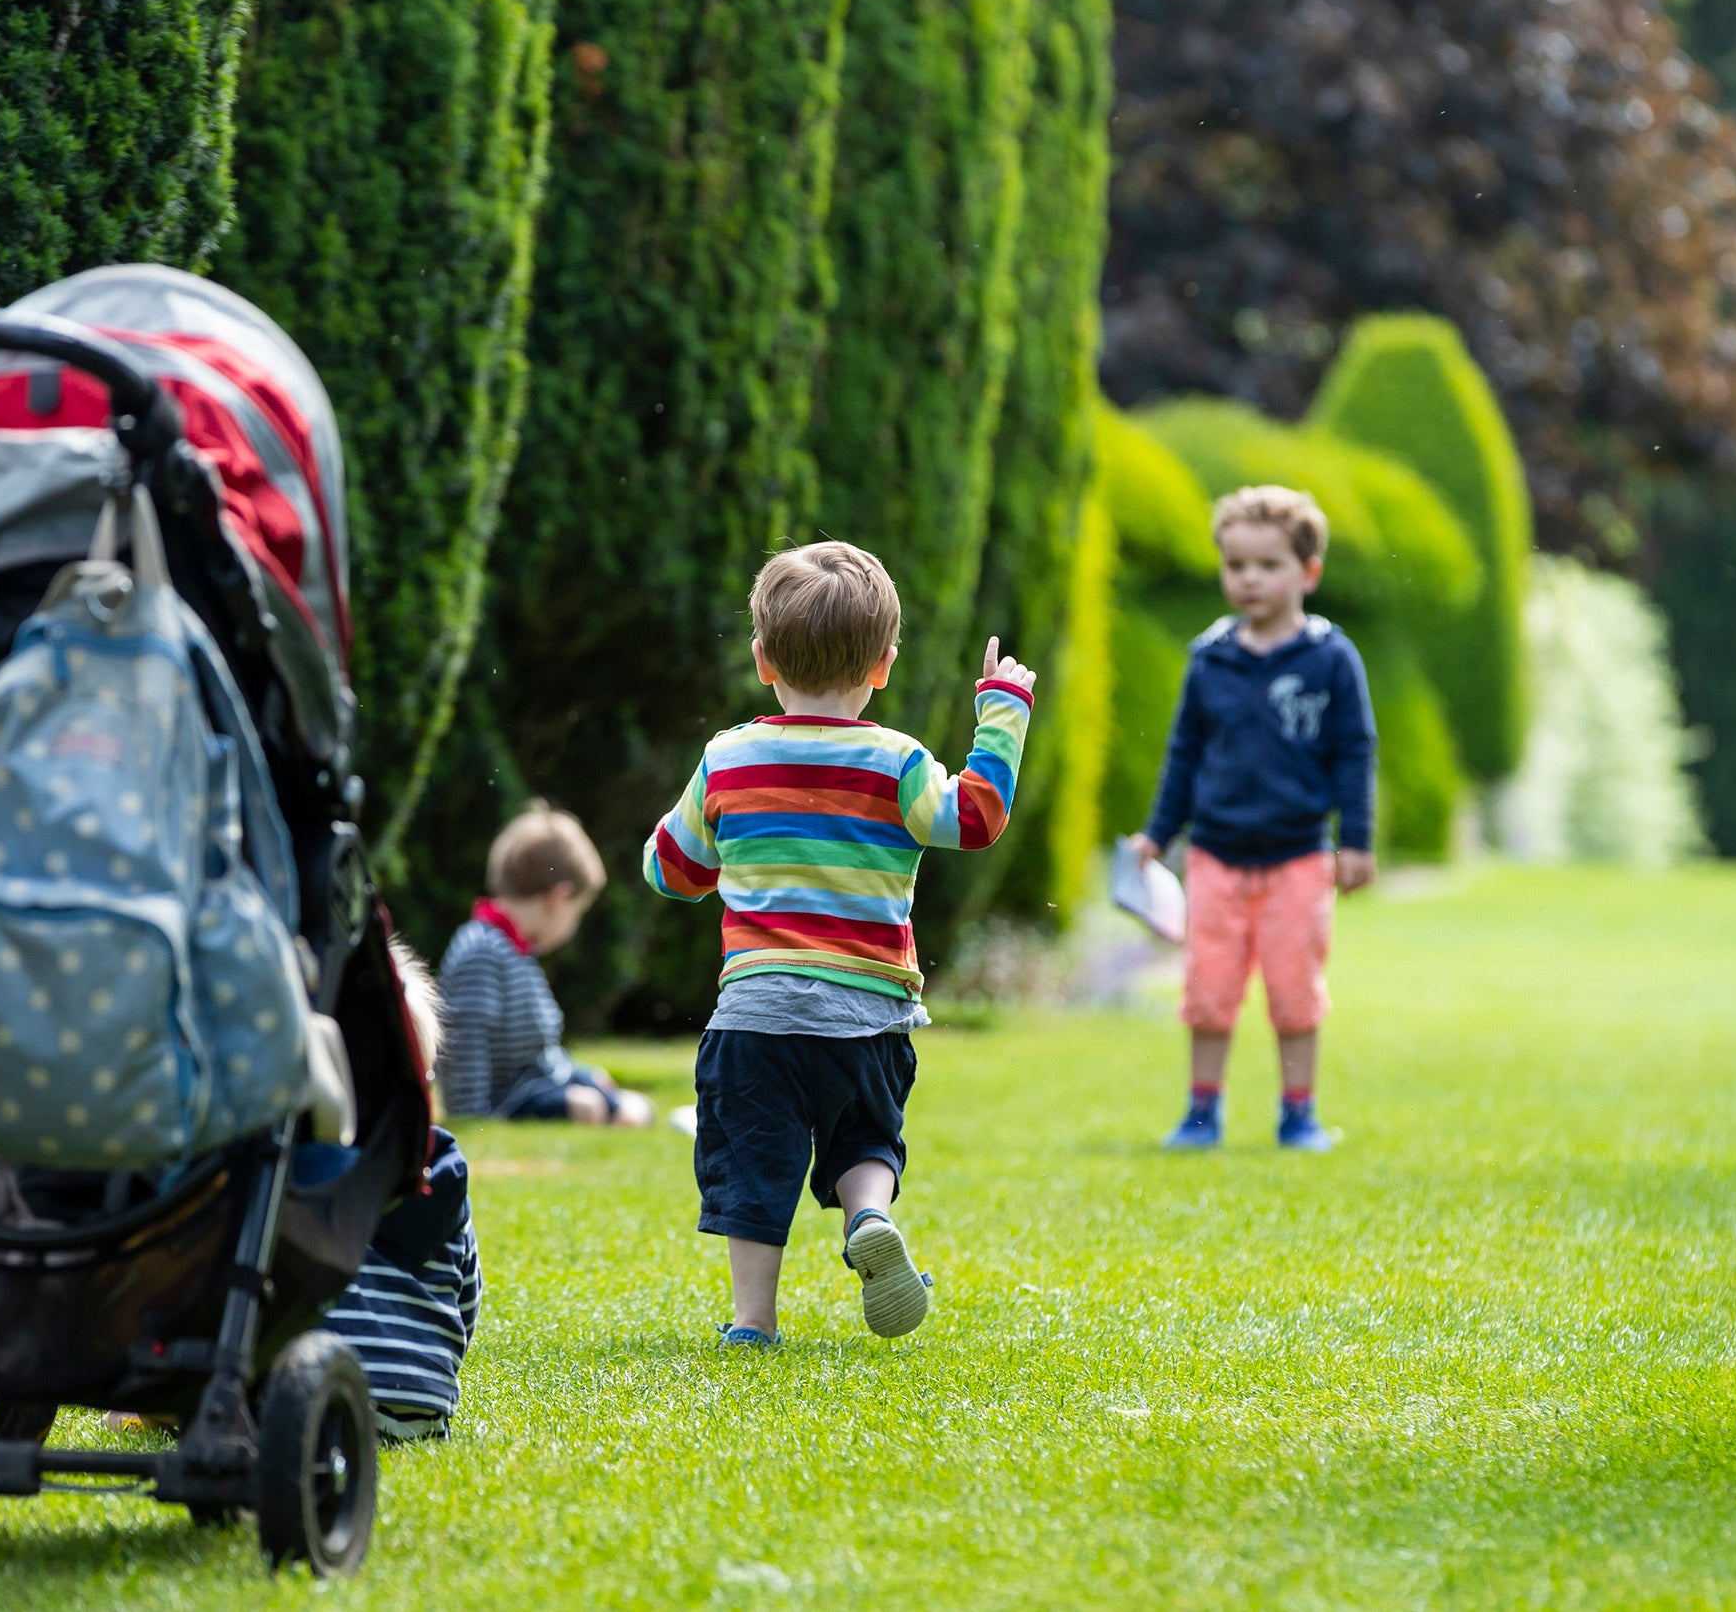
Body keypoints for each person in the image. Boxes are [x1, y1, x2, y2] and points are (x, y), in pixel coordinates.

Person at [644, 542, 1035, 1347]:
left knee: (754, 1167)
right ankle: (867, 1217)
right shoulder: (897, 762)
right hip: (870, 1013)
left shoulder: (728, 757)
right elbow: (976, 819)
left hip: (756, 1016)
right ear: (884, 665)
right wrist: (1003, 707)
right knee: (864, 1138)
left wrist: (693, 853)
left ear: (761, 659)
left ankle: (753, 1321)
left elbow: (672, 871)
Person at [1129, 486, 1379, 1155]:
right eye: (1236, 565)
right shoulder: (1210, 660)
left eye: (1268, 565)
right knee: (1208, 991)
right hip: (1215, 858)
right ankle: (1201, 1113)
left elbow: (1356, 754)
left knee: (1295, 992)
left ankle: (1299, 1115)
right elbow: (1183, 754)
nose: (1250, 578)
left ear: (1308, 572)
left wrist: (1356, 842)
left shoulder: (1331, 660)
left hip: (1299, 859)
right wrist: (1159, 832)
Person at [436, 803, 654, 1126]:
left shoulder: (516, 951)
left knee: (632, 1106)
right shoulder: (482, 952)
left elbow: (540, 1053)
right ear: (557, 899)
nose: (573, 926)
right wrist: (473, 1116)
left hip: (535, 1085)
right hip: (508, 1100)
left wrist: (580, 1074)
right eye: (576, 912)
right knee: (597, 1109)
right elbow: (466, 1040)